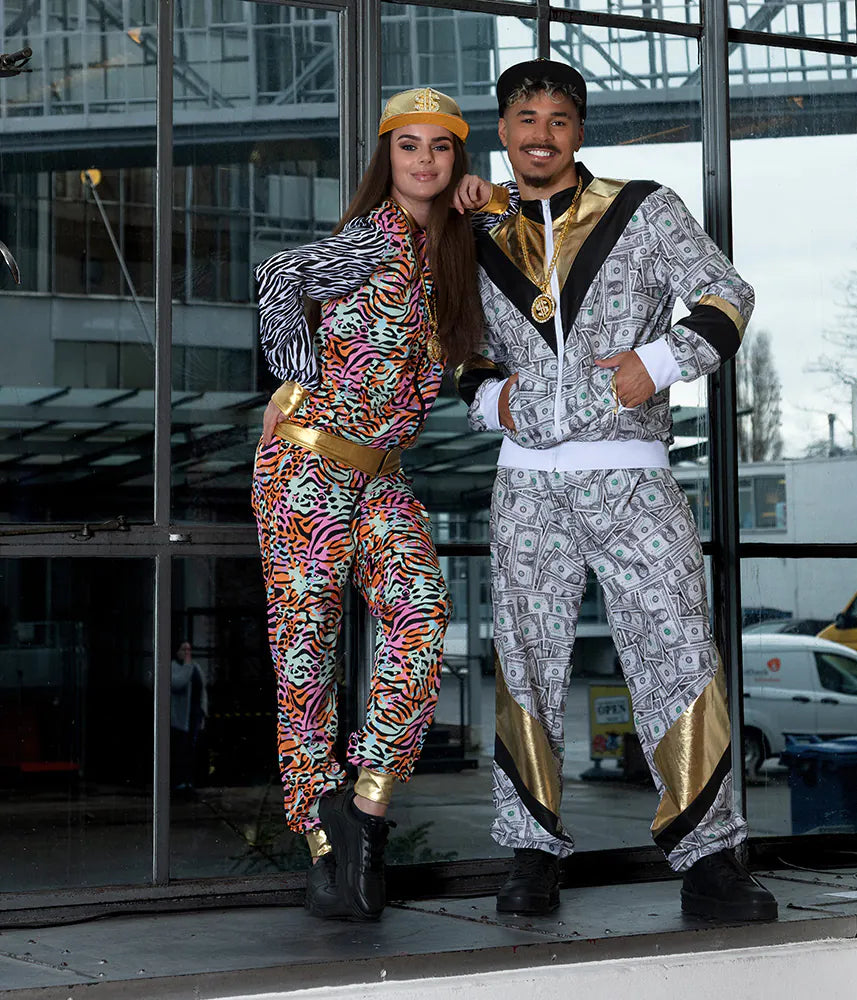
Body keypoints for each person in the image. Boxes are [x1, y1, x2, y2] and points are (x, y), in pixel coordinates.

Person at [455, 59, 778, 922]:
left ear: (579, 131)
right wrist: (492, 402)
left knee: (679, 655)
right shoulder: (475, 233)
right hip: (527, 489)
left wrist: (659, 362)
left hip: (633, 477)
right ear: (504, 130)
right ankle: (530, 854)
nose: (541, 136)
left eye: (558, 120)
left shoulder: (644, 209)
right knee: (525, 664)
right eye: (526, 120)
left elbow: (728, 294)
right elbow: (461, 349)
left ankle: (711, 859)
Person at [252, 87, 491, 922]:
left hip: (382, 476)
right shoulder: (373, 240)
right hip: (308, 468)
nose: (424, 159)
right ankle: (324, 845)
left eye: (441, 147)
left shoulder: (450, 250)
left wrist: (489, 195)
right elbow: (279, 276)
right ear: (386, 157)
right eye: (408, 145)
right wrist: (296, 380)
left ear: (457, 158)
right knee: (306, 653)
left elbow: (534, 222)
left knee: (423, 615)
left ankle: (367, 808)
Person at [170, 640, 207, 795]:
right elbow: (179, 683)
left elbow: (203, 689)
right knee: (180, 749)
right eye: (183, 649)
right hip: (179, 718)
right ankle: (179, 782)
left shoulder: (195, 666)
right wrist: (186, 665)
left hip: (194, 715)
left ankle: (189, 782)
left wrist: (203, 711)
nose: (187, 653)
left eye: (189, 650)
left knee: (191, 749)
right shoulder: (173, 667)